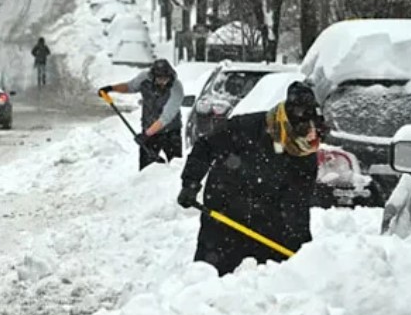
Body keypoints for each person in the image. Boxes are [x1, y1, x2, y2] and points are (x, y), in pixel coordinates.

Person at [176, 81, 326, 276]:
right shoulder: (245, 127)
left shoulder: (305, 157)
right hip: (224, 217)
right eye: (302, 137)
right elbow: (206, 146)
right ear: (286, 126)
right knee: (211, 279)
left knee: (265, 288)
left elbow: (297, 204)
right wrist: (190, 183)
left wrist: (300, 251)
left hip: (269, 226)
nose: (306, 143)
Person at [99, 59, 184, 170]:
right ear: (153, 77)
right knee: (146, 169)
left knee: (175, 167)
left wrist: (146, 134)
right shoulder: (144, 78)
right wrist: (111, 88)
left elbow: (166, 117)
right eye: (160, 79)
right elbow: (130, 87)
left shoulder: (176, 88)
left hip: (171, 131)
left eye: (166, 79)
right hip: (149, 128)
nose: (163, 82)